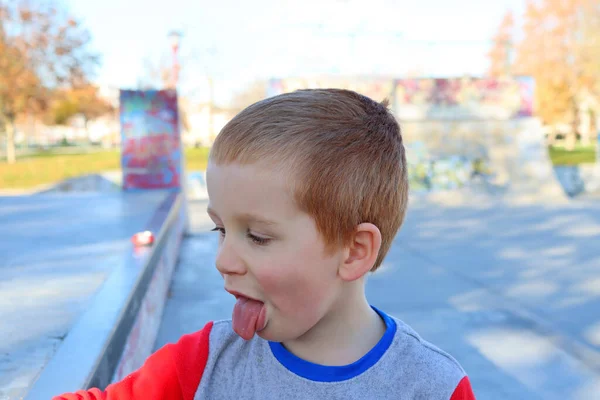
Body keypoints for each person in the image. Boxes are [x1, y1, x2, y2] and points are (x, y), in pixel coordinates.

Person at [53, 89, 476, 400]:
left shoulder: (432, 386)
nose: (223, 260)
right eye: (220, 229)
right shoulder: (201, 363)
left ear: (354, 250)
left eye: (257, 236)